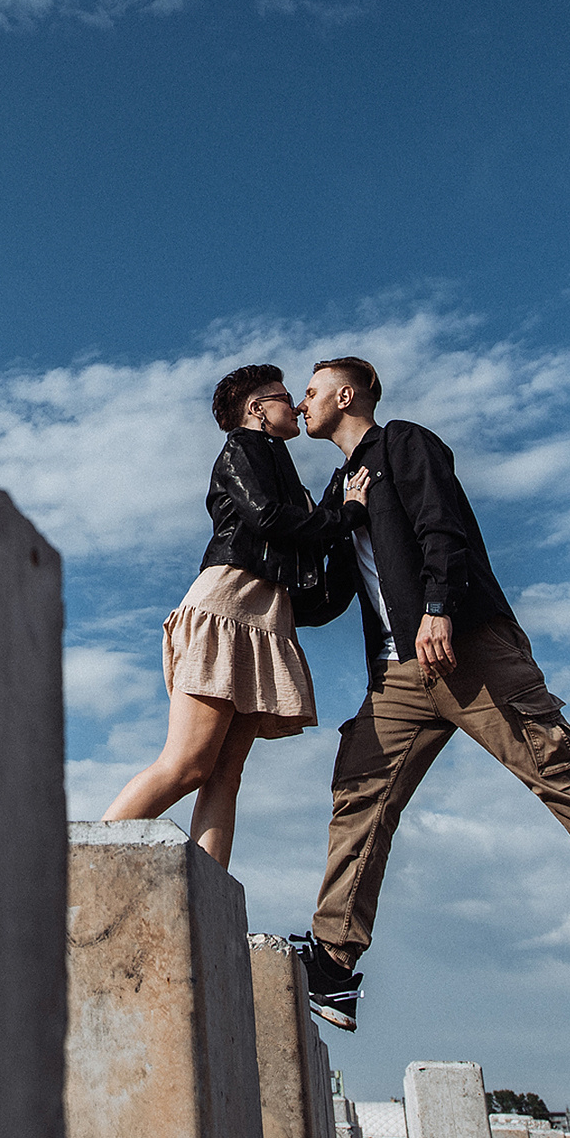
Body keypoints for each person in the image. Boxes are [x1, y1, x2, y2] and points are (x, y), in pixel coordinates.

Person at [288, 355, 570, 1028]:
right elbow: (334, 593)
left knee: (557, 773)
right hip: (399, 673)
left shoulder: (404, 442)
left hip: (463, 644)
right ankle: (335, 964)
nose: (302, 401)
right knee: (360, 793)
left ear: (346, 394)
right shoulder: (343, 486)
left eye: (311, 390)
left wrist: (437, 607)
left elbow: (443, 529)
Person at [100, 364, 368, 870]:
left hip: (262, 618)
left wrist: (343, 515)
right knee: (187, 764)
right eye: (287, 397)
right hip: (228, 605)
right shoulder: (243, 449)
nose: (299, 406)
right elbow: (265, 517)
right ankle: (77, 866)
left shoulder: (281, 464)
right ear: (257, 409)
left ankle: (209, 897)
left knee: (226, 775)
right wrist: (347, 514)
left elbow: (311, 565)